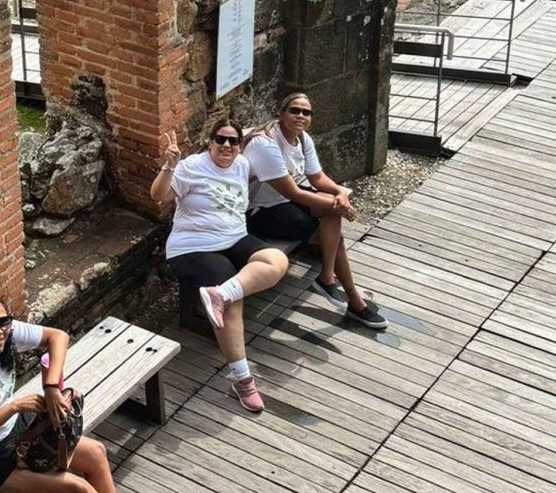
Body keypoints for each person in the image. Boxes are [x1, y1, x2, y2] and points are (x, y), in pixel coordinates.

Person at [151, 121, 289, 413]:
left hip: (234, 237)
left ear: (240, 145)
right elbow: (158, 195)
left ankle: (221, 293)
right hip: (194, 245)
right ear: (209, 142)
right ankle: (242, 378)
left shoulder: (241, 164)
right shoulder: (191, 166)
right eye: (220, 140)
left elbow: (273, 160)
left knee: (277, 260)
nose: (227, 146)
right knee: (233, 303)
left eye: (233, 141)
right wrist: (169, 166)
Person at [0, 291, 116, 493]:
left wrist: (51, 387)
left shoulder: (5, 334)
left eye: (4, 321)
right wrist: (14, 407)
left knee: (96, 453)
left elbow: (58, 336)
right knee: (78, 488)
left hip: (13, 431)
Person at [244, 92, 388, 330]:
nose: (301, 116)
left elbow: (317, 177)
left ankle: (329, 278)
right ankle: (351, 298)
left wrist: (339, 195)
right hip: (260, 211)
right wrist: (339, 205)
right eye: (294, 110)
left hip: (284, 201)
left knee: (331, 213)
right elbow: (294, 193)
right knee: (334, 234)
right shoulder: (266, 144)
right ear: (281, 114)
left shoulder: (302, 138)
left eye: (306, 112)